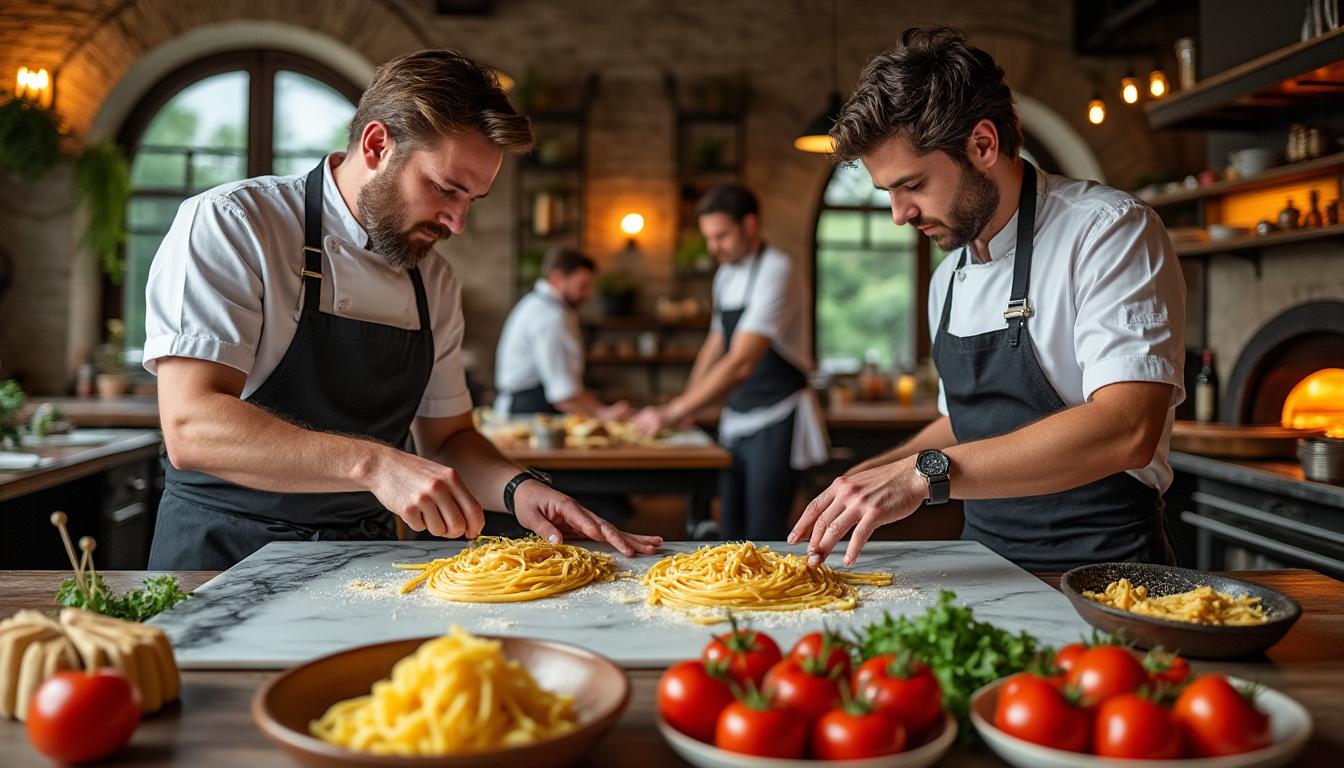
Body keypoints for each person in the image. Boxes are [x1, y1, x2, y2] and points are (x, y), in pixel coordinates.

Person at [143, 49, 661, 570]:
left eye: (472, 201)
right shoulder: (236, 224)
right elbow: (192, 425)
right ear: (376, 145)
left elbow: (448, 437)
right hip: (221, 555)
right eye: (444, 188)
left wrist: (520, 491)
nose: (456, 223)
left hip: (363, 562)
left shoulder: (433, 280)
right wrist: (373, 464)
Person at [790, 27, 1185, 572]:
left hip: (1108, 572)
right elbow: (964, 425)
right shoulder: (948, 276)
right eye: (888, 194)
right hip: (983, 566)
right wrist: (861, 482)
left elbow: (1127, 429)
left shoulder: (1108, 232)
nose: (899, 215)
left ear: (982, 145)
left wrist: (918, 475)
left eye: (913, 186)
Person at [633, 184, 828, 540]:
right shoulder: (725, 275)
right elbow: (717, 342)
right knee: (730, 529)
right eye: (709, 237)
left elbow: (741, 361)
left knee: (764, 531)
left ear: (750, 225)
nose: (713, 247)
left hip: (777, 415)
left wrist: (671, 412)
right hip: (736, 416)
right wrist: (689, 404)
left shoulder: (777, 270)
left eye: (721, 235)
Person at [494, 246, 632, 419]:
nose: (588, 294)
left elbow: (570, 390)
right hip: (528, 414)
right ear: (558, 278)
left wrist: (602, 410)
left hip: (533, 408)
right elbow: (562, 396)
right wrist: (603, 414)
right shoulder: (548, 316)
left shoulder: (549, 308)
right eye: (582, 286)